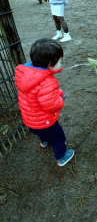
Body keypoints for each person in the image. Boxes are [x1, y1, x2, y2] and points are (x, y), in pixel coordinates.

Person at [15, 38, 74, 166]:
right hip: (46, 122)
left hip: (30, 121)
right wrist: (60, 98)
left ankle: (44, 142)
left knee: (41, 132)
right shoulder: (48, 82)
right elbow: (52, 106)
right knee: (58, 137)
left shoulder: (26, 75)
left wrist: (55, 93)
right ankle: (61, 157)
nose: (60, 64)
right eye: (59, 61)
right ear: (50, 65)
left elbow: (37, 97)